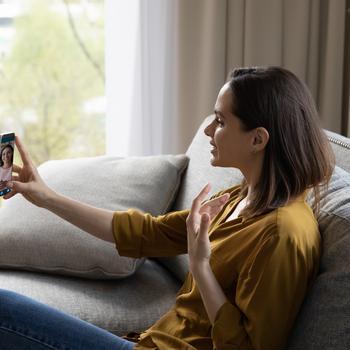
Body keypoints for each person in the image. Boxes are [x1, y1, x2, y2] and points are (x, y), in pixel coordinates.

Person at [0, 66, 334, 350]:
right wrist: (46, 197)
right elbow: (146, 233)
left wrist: (201, 267)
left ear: (257, 140)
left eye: (219, 121)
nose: (207, 131)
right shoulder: (243, 198)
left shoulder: (283, 234)